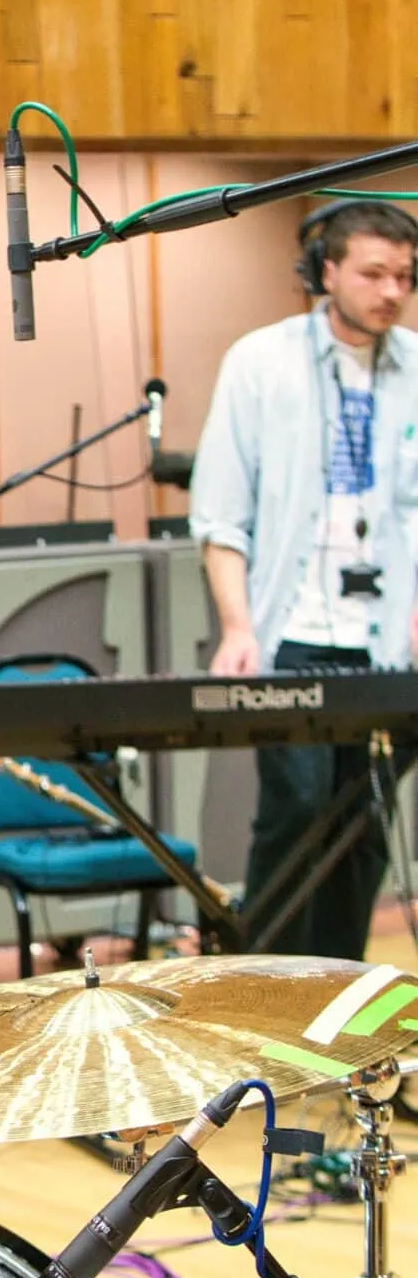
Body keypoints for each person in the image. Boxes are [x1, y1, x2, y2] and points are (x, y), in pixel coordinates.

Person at [191, 200, 418, 958]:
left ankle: (338, 987)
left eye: (405, 276)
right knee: (297, 809)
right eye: (374, 274)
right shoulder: (260, 362)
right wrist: (237, 626)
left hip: (387, 640)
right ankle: (268, 987)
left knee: (365, 821)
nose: (392, 292)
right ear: (325, 270)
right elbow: (221, 517)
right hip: (290, 629)